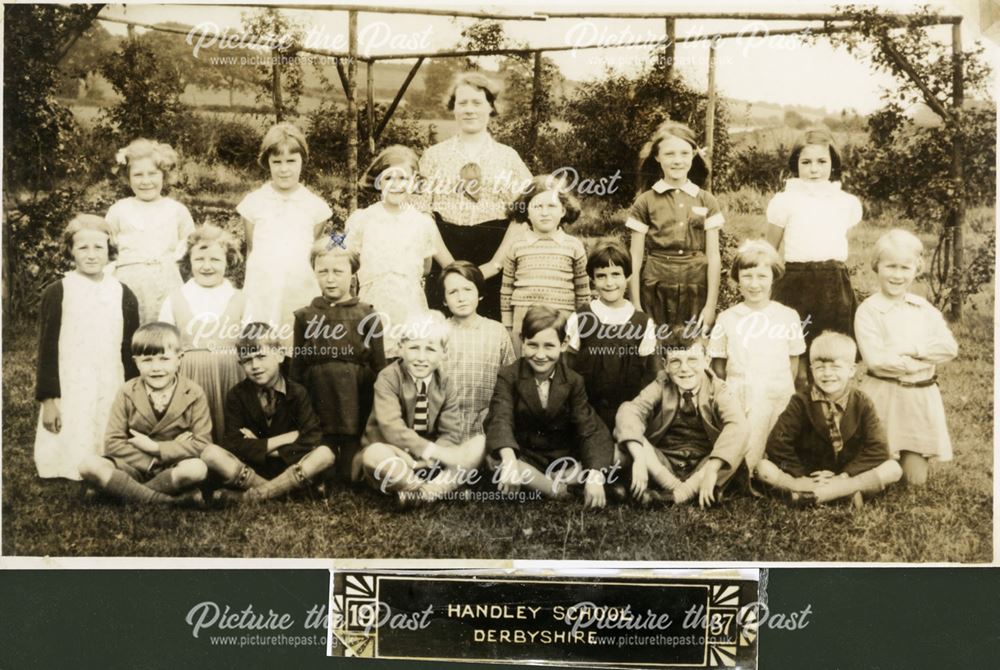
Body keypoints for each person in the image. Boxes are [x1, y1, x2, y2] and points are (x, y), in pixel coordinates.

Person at [417, 72, 533, 321]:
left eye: (477, 103)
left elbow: (523, 215)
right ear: (453, 108)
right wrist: (449, 265)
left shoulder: (508, 157)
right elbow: (422, 213)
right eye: (462, 103)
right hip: (444, 249)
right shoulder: (433, 156)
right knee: (442, 331)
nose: (470, 110)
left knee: (492, 329)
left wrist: (495, 265)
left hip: (493, 252)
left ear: (491, 107)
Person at [34, 214, 140, 480]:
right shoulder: (58, 292)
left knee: (107, 423)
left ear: (110, 250)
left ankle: (107, 463)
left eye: (98, 248)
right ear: (70, 250)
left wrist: (135, 395)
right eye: (83, 248)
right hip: (71, 378)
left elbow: (130, 350)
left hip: (109, 375)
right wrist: (49, 400)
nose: (91, 255)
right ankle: (65, 465)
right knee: (73, 422)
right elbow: (46, 349)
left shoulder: (122, 292)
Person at [855, 229, 958, 486]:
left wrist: (911, 350)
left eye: (905, 267)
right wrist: (921, 363)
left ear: (916, 269)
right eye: (891, 266)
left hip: (919, 400)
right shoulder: (869, 310)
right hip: (883, 396)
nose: (897, 275)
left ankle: (909, 458)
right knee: (881, 471)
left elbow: (948, 348)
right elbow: (877, 361)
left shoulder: (924, 309)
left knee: (914, 482)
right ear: (877, 266)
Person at [485, 305, 614, 508]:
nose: (540, 354)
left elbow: (589, 428)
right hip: (526, 458)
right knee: (498, 462)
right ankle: (561, 493)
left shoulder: (573, 380)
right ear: (522, 341)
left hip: (562, 459)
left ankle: (566, 484)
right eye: (533, 345)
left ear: (563, 344)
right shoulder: (509, 375)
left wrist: (595, 474)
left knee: (611, 457)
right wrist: (509, 460)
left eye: (549, 346)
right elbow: (500, 417)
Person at [757, 331, 903, 507]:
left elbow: (878, 448)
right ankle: (836, 494)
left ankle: (814, 496)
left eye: (835, 367)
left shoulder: (862, 403)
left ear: (851, 370)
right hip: (809, 475)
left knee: (893, 469)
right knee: (763, 468)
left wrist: (844, 476)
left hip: (847, 476)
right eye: (820, 367)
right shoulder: (800, 402)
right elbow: (777, 444)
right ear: (811, 371)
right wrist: (802, 476)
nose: (827, 374)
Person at [357, 311, 486, 505]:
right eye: (414, 348)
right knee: (373, 454)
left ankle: (421, 493)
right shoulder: (388, 377)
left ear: (444, 353)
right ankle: (439, 490)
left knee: (480, 443)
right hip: (395, 454)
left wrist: (434, 457)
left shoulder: (445, 383)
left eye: (430, 349)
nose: (421, 357)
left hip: (431, 462)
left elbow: (450, 432)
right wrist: (429, 453)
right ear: (401, 348)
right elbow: (392, 428)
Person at [77, 323, 210, 506]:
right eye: (147, 360)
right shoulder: (127, 392)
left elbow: (203, 444)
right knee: (88, 465)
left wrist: (158, 449)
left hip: (173, 467)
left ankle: (121, 492)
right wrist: (151, 462)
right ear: (136, 362)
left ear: (179, 359)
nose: (156, 368)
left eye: (164, 359)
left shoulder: (194, 393)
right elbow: (112, 442)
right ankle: (166, 501)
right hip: (132, 466)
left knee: (197, 469)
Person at [615, 327, 748, 507]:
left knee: (736, 446)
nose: (685, 369)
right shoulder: (662, 383)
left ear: (706, 361)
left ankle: (673, 497)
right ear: (665, 365)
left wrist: (712, 468)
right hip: (665, 463)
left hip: (703, 465)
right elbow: (629, 411)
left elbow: (737, 426)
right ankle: (680, 490)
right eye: (676, 361)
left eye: (692, 360)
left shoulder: (718, 389)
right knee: (624, 446)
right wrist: (639, 457)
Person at [202, 323, 335, 503]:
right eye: (247, 360)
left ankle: (256, 496)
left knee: (325, 454)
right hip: (253, 470)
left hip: (289, 466)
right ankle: (287, 493)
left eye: (261, 356)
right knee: (210, 454)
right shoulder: (237, 395)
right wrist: (284, 439)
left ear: (280, 355)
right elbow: (233, 443)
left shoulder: (297, 392)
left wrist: (257, 444)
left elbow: (311, 439)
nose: (255, 365)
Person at [344, 145, 453, 358]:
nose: (395, 185)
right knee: (373, 362)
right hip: (372, 305)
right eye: (388, 178)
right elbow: (347, 257)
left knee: (409, 360)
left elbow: (426, 267)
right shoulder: (362, 219)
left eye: (403, 178)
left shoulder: (422, 223)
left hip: (409, 306)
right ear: (377, 181)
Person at [708, 239, 805, 478]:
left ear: (773, 277)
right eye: (747, 276)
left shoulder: (787, 316)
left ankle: (768, 468)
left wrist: (778, 390)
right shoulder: (728, 318)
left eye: (762, 276)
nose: (754, 284)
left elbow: (794, 365)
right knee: (745, 456)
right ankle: (747, 467)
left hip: (777, 396)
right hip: (740, 397)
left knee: (778, 450)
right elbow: (718, 367)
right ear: (737, 279)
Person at [291, 242, 386, 481]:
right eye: (323, 272)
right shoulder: (305, 315)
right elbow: (297, 366)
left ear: (352, 273)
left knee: (350, 473)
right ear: (314, 272)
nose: (330, 279)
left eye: (338, 272)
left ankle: (352, 461)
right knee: (323, 459)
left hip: (355, 394)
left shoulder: (367, 314)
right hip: (318, 392)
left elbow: (379, 365)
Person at [765, 126, 862, 347]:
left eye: (821, 162)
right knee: (794, 350)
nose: (814, 170)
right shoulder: (785, 201)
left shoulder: (845, 202)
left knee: (832, 349)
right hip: (795, 282)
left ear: (833, 162)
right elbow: (769, 251)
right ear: (795, 164)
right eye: (806, 162)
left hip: (833, 284)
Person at [238, 122, 332, 351]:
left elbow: (312, 252)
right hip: (263, 286)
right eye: (276, 162)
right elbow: (251, 247)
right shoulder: (253, 203)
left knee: (295, 345)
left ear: (303, 161)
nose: (284, 169)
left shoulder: (315, 207)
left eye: (291, 161)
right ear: (267, 163)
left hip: (298, 287)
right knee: (260, 346)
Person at [626, 120, 724, 333]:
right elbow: (635, 257)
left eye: (684, 153)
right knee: (654, 351)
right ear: (657, 157)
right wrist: (635, 306)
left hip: (696, 287)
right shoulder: (645, 201)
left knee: (693, 351)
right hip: (655, 288)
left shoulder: (707, 201)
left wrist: (709, 306)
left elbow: (714, 256)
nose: (677, 161)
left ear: (694, 155)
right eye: (669, 154)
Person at [159, 225, 246, 444]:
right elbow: (163, 346)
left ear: (228, 261)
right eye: (199, 259)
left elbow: (253, 343)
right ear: (189, 262)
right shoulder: (175, 298)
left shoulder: (241, 298)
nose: (207, 266)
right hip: (188, 377)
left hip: (231, 376)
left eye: (215, 260)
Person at [564, 242, 659, 433]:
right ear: (592, 279)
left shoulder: (642, 322)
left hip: (627, 414)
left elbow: (650, 375)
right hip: (586, 413)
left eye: (616, 274)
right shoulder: (581, 318)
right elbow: (567, 367)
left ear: (628, 276)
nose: (609, 283)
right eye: (601, 276)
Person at [106, 138, 195, 324]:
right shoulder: (119, 210)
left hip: (166, 283)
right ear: (127, 177)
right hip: (128, 283)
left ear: (164, 175)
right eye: (138, 175)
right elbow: (108, 251)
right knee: (128, 329)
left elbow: (189, 250)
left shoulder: (176, 210)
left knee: (164, 331)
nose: (146, 181)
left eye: (152, 174)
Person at [500, 175, 590, 355]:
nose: (544, 212)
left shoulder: (573, 245)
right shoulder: (517, 245)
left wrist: (580, 324)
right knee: (525, 364)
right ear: (526, 210)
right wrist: (508, 325)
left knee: (559, 366)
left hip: (562, 314)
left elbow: (582, 290)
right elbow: (506, 288)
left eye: (551, 206)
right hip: (523, 316)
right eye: (538, 206)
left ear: (563, 211)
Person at [439, 261, 516, 443]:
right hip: (446, 426)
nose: (461, 298)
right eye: (452, 292)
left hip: (487, 424)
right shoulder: (438, 331)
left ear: (479, 293)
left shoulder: (497, 331)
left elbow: (510, 380)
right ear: (444, 299)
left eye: (467, 290)